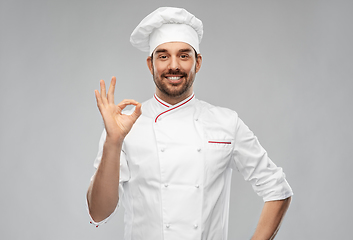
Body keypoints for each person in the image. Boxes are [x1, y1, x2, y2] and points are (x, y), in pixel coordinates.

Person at [87, 7, 293, 240]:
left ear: (198, 62)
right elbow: (98, 213)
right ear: (150, 64)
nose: (173, 66)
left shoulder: (226, 122)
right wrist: (113, 141)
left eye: (184, 55)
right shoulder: (123, 126)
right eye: (163, 56)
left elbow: (278, 189)